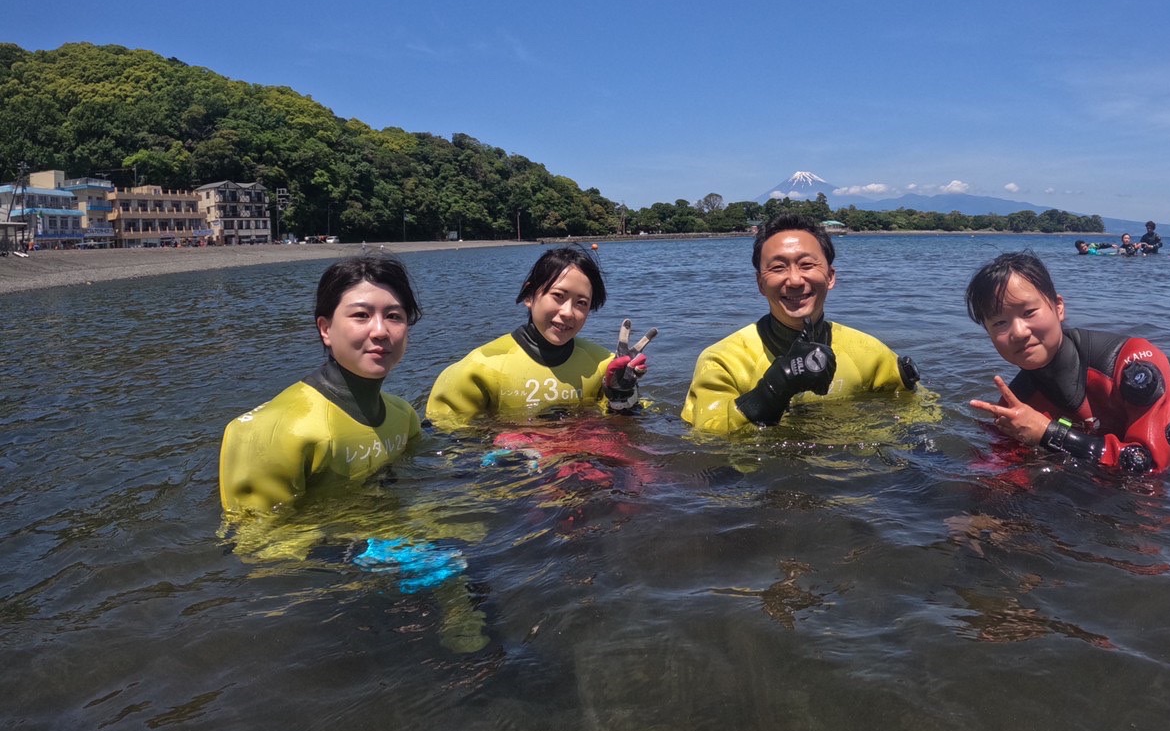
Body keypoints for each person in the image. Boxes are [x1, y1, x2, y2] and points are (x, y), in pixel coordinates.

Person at [219, 253, 423, 514]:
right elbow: (255, 534)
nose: (381, 331)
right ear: (325, 329)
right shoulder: (273, 432)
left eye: (394, 316)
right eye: (361, 315)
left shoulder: (403, 416)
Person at [682, 213, 919, 433]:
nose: (795, 280)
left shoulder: (870, 353)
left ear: (830, 277)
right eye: (778, 268)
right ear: (760, 284)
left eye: (807, 265)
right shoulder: (722, 361)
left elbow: (921, 410)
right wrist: (770, 391)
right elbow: (706, 436)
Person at [965, 251, 1170, 474]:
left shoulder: (1130, 361)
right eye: (1000, 323)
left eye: (1029, 312)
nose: (1019, 332)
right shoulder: (1015, 405)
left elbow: (1149, 465)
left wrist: (1047, 433)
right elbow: (1004, 471)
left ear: (1058, 307)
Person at [426, 246, 651, 428]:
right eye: (558, 296)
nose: (568, 312)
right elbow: (446, 440)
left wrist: (623, 396)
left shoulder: (603, 366)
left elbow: (631, 426)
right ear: (529, 295)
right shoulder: (479, 368)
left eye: (581, 303)